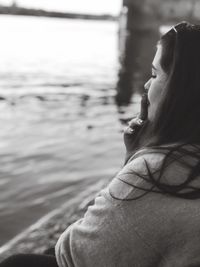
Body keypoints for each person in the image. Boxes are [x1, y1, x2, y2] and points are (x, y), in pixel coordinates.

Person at [1, 20, 200, 267]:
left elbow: (74, 254)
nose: (147, 85)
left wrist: (138, 156)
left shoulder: (160, 173)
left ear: (180, 90)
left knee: (18, 263)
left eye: (155, 74)